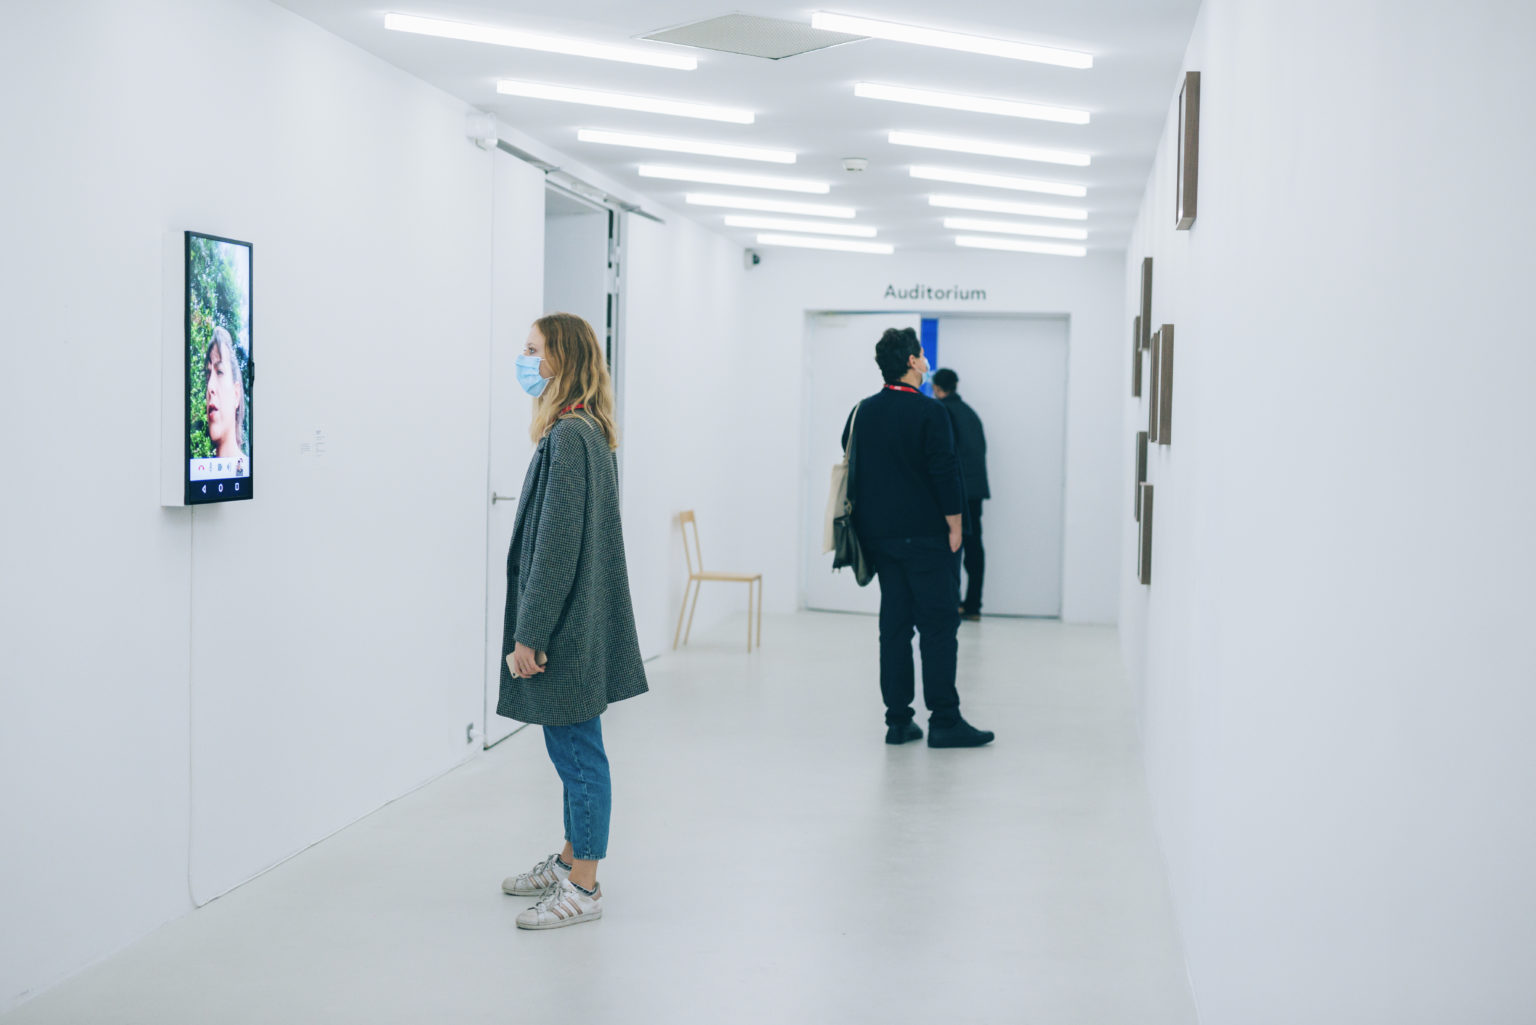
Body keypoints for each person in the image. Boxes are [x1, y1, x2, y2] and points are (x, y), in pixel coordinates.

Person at [497, 312, 648, 930]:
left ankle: (583, 885)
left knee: (579, 755)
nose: (525, 359)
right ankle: (568, 859)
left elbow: (557, 547)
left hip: (564, 628)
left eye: (533, 349)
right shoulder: (587, 431)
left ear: (561, 359)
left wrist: (529, 634)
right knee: (571, 748)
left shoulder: (569, 437)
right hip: (579, 619)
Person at [842, 327, 995, 749]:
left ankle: (898, 722)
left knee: (894, 627)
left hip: (881, 539)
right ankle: (944, 720)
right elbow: (945, 473)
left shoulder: (862, 411)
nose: (926, 360)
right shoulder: (931, 412)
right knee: (938, 626)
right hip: (928, 538)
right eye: (922, 354)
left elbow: (852, 459)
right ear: (912, 361)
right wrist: (956, 526)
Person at [931, 369, 989, 620]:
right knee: (974, 547)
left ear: (936, 388)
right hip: (975, 491)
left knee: (950, 546)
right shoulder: (970, 413)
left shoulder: (941, 412)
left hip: (955, 490)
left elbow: (942, 457)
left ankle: (950, 603)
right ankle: (973, 605)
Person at [204, 326, 248, 475]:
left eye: (220, 372)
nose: (210, 387)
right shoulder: (203, 473)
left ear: (236, 395)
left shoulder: (248, 470)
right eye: (208, 376)